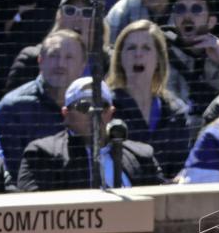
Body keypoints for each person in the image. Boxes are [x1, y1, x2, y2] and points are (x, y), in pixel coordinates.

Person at [17, 76, 164, 192]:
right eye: (84, 106)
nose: (94, 113)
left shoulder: (142, 156)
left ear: (111, 113)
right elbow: (32, 213)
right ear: (66, 114)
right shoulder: (43, 155)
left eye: (102, 106)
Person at [107, 19, 193, 179]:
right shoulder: (107, 108)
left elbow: (181, 166)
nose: (138, 54)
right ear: (120, 59)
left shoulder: (175, 111)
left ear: (158, 60)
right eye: (131, 48)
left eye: (146, 48)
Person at [0, 29, 88, 177]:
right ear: (40, 61)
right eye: (53, 56)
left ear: (83, 66)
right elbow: (9, 173)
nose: (60, 64)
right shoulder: (13, 108)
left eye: (69, 57)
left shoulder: (93, 106)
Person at [3, 0, 109, 96]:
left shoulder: (110, 63)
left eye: (87, 12)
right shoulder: (31, 59)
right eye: (70, 10)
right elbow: (14, 105)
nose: (78, 18)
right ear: (59, 18)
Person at [163, 0, 219, 121]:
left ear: (211, 21)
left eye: (196, 9)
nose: (187, 16)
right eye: (180, 9)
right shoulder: (159, 48)